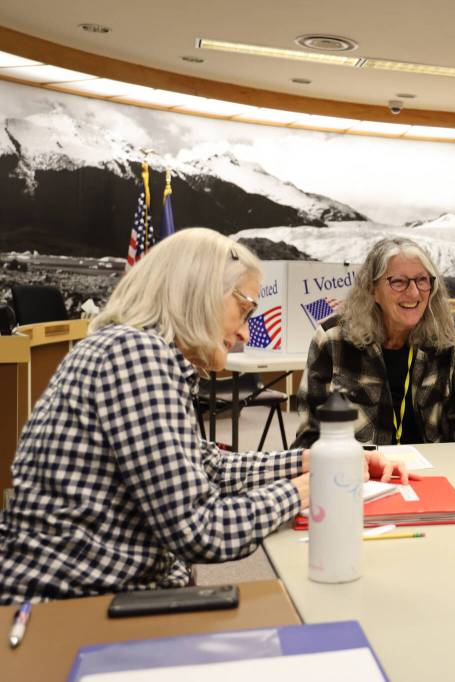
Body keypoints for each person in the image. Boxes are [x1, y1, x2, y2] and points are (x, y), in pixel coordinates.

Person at [0, 228, 404, 604]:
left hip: (102, 592)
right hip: (68, 609)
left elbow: (204, 466)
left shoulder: (134, 350)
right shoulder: (137, 357)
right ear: (199, 294)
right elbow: (200, 530)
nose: (247, 333)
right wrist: (310, 487)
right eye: (245, 310)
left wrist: (310, 460)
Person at [293, 237, 455, 447]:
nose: (414, 293)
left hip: (434, 469)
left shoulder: (453, 336)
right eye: (398, 282)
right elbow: (311, 434)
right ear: (372, 289)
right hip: (359, 470)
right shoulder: (333, 338)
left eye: (422, 280)